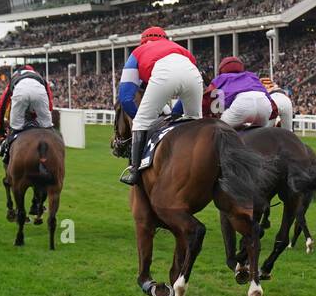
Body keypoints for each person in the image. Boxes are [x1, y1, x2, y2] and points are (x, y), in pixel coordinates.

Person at [117, 26, 203, 185]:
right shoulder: (180, 48)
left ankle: (134, 171)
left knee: (141, 121)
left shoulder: (138, 51)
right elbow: (181, 105)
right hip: (193, 74)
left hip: (164, 74)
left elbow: (126, 98)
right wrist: (174, 117)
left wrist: (143, 120)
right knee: (194, 122)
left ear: (143, 41)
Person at [0, 65, 54, 165]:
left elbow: (1, 106)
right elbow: (50, 105)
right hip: (39, 92)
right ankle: (48, 156)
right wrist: (44, 121)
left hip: (20, 92)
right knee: (47, 129)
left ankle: (6, 156)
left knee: (15, 129)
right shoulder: (40, 78)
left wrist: (0, 130)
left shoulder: (15, 78)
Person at [207, 56, 274, 129]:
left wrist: (204, 116)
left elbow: (207, 99)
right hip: (264, 104)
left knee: (221, 129)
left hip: (241, 104)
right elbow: (270, 100)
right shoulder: (252, 76)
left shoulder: (219, 79)